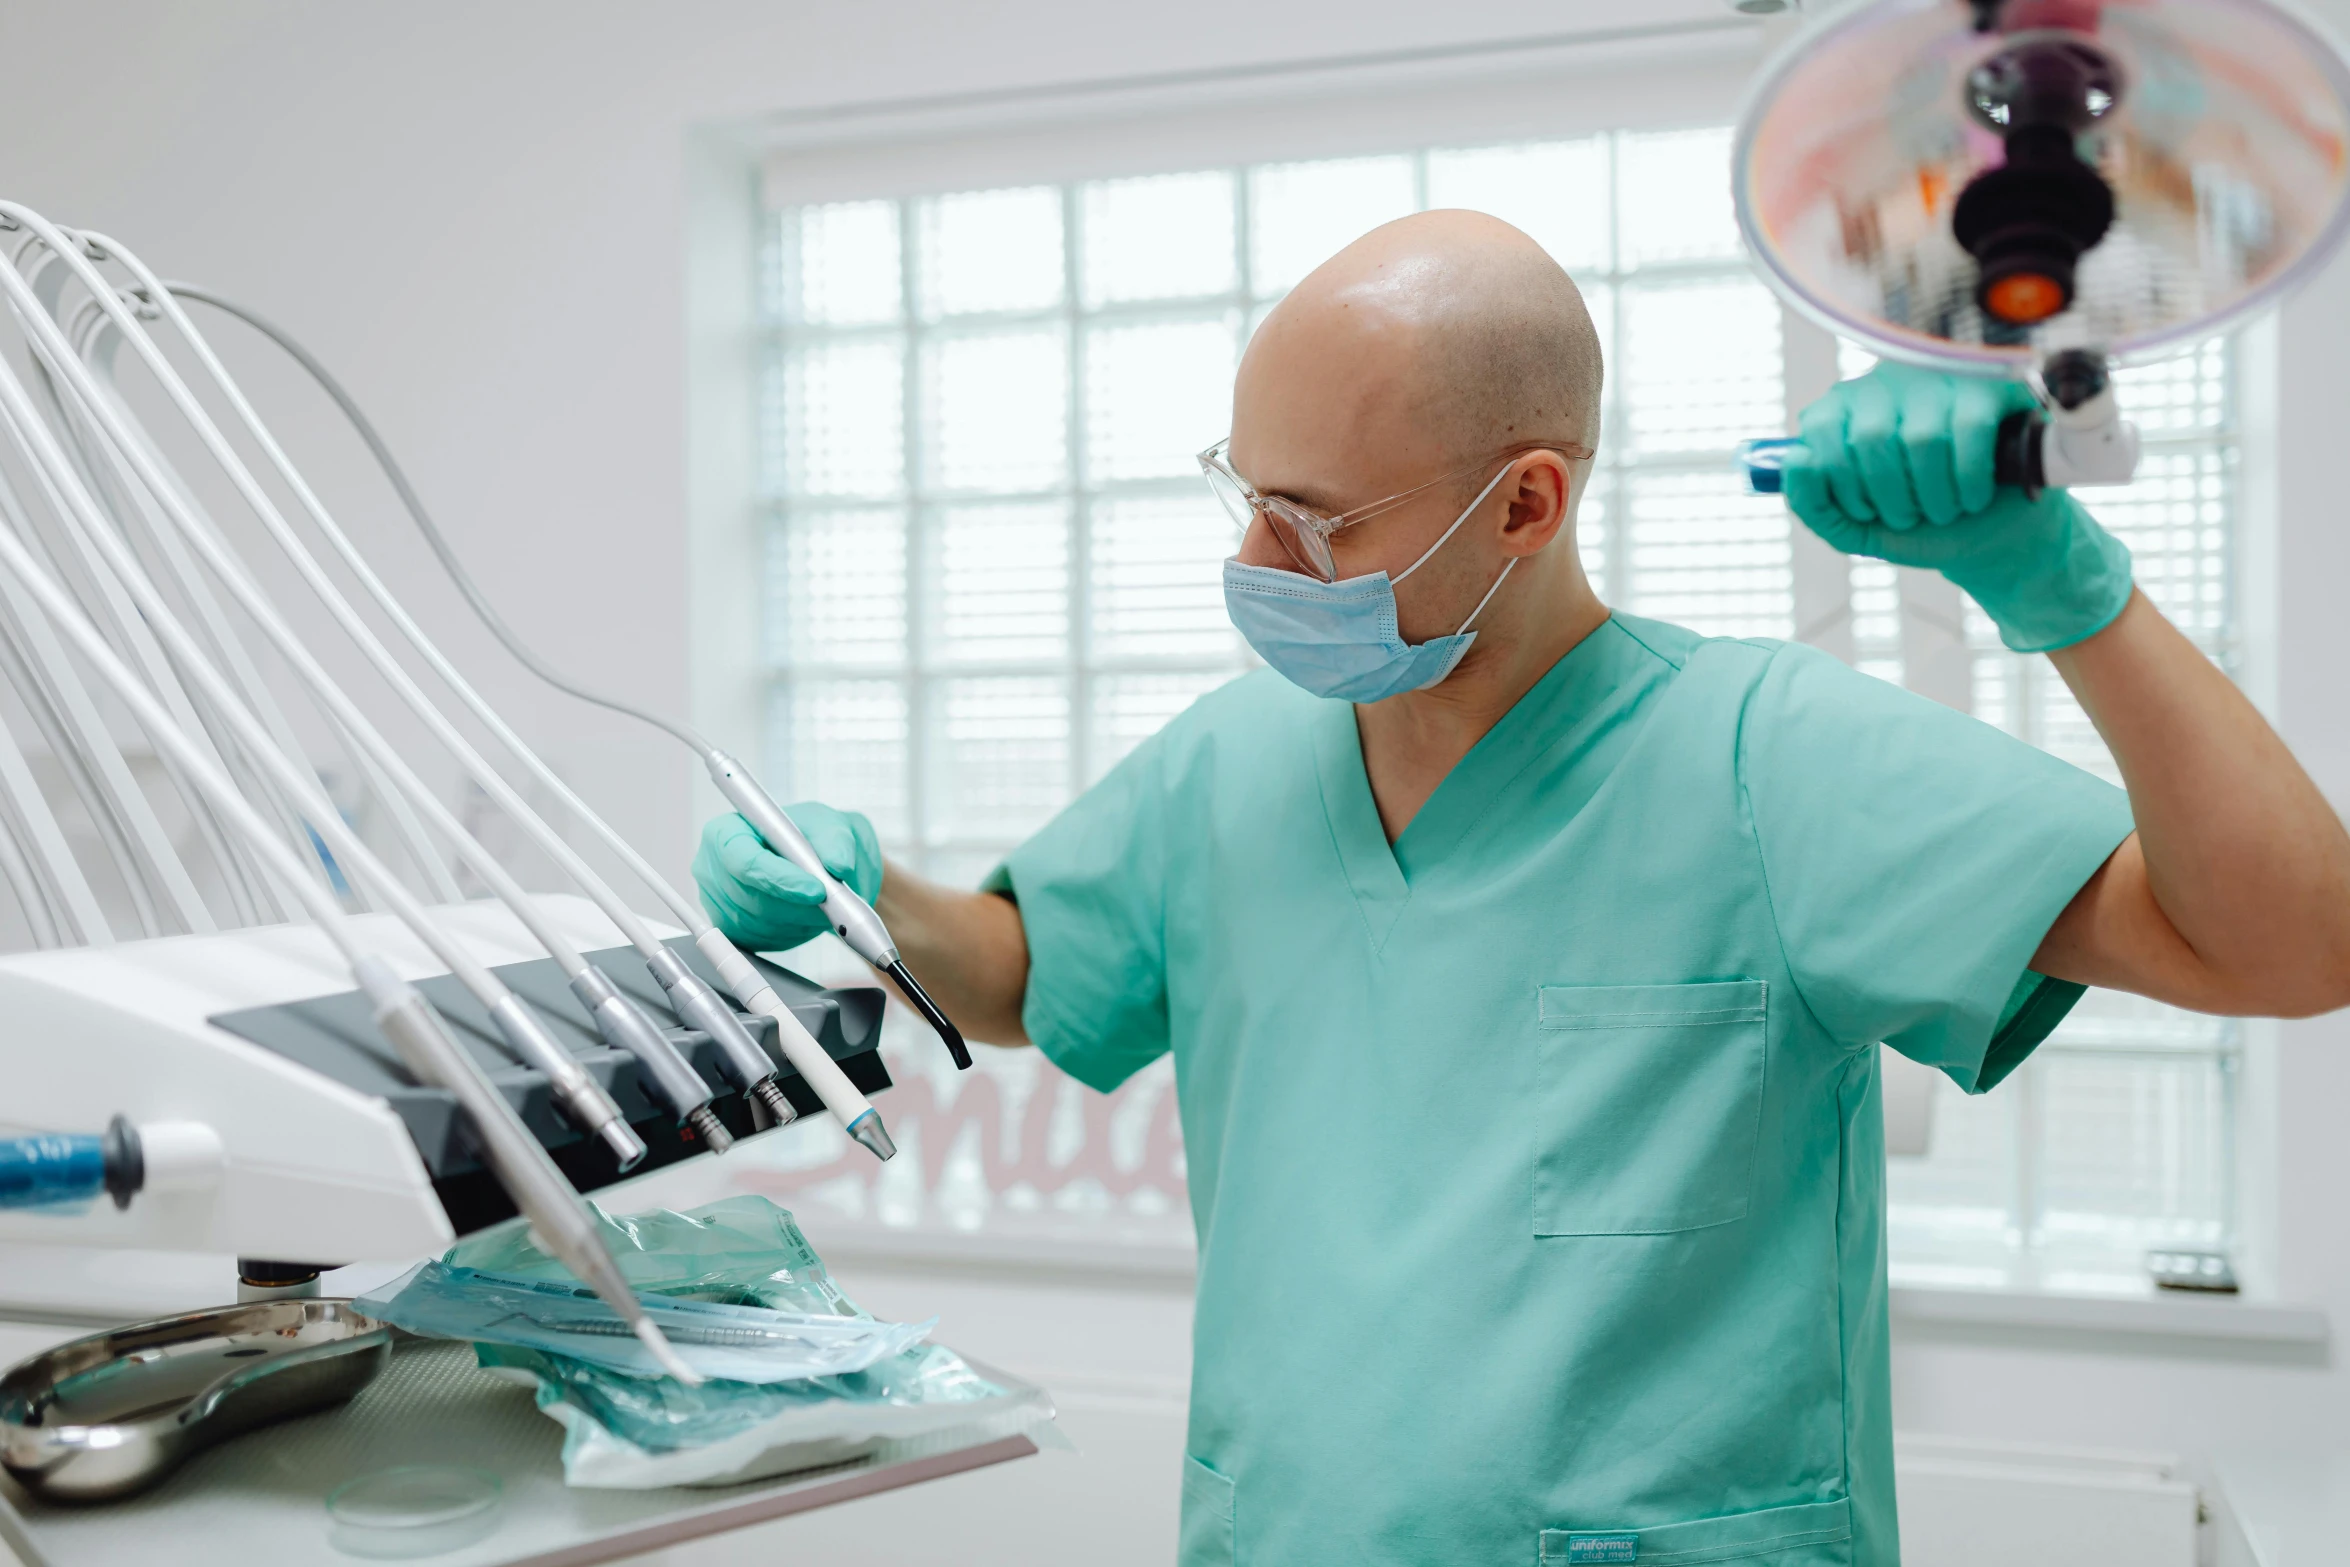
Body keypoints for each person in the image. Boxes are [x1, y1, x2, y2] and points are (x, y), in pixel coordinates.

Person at [693, 211, 2350, 1566]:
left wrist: (2060, 593)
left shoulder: (1768, 761)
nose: (1255, 567)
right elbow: (1021, 967)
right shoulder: (1233, 765)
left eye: (1314, 522)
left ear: (1527, 501)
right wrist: (865, 896)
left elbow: (2288, 945)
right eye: (1242, 497)